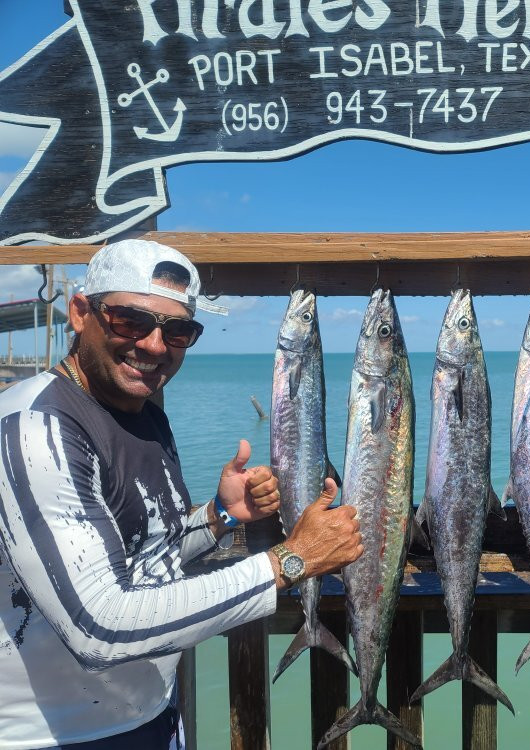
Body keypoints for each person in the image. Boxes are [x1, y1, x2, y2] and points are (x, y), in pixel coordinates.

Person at [0, 240, 363, 749]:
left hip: (154, 717)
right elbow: (98, 627)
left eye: (177, 331)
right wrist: (289, 562)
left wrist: (219, 517)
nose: (153, 345)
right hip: (51, 737)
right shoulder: (33, 427)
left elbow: (143, 559)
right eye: (130, 320)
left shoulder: (143, 415)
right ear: (81, 313)